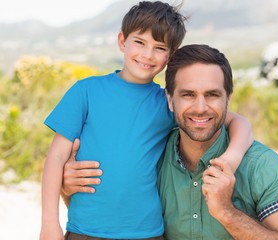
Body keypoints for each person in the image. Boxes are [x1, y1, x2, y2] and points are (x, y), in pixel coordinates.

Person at [40, 1, 253, 240]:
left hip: (147, 233)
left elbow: (239, 123)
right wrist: (49, 224)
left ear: (170, 57)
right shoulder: (86, 92)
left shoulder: (168, 104)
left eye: (159, 47)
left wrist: (231, 159)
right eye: (139, 42)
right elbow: (56, 157)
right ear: (122, 41)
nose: (147, 55)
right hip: (84, 231)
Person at [62, 44, 278, 239]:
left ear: (228, 99)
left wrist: (227, 213)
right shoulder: (151, 156)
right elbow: (109, 216)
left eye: (212, 95)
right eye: (188, 95)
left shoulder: (260, 165)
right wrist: (69, 189)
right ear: (170, 100)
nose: (200, 108)